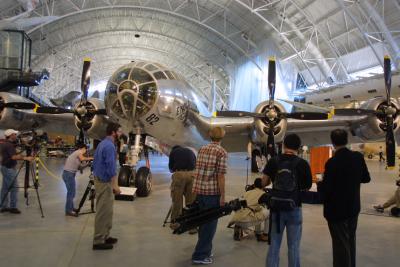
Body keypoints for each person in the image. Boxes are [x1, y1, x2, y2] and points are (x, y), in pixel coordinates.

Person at [318, 129, 371, 267]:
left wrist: (320, 184)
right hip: (353, 208)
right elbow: (366, 178)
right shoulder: (358, 157)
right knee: (350, 241)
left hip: (337, 212)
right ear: (347, 140)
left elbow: (327, 189)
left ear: (332, 142)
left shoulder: (332, 162)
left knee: (340, 246)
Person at [262, 133, 312, 267]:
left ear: (283, 145)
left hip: (276, 209)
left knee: (274, 245)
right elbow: (307, 186)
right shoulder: (303, 164)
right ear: (299, 147)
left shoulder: (274, 161)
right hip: (294, 208)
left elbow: (264, 182)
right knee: (294, 246)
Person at [191, 127, 227, 265]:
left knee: (202, 223)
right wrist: (222, 196)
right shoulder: (221, 152)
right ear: (222, 137)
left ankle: (205, 250)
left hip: (199, 190)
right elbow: (220, 176)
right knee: (209, 225)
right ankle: (200, 255)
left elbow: (198, 169)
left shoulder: (202, 149)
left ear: (210, 136)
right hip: (212, 193)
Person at [92, 123, 122, 250]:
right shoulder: (109, 146)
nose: (121, 133)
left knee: (108, 210)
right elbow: (111, 167)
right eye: (119, 131)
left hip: (101, 180)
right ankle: (98, 240)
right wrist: (115, 185)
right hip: (104, 182)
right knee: (103, 211)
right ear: (114, 132)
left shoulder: (103, 143)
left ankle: (105, 235)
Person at [0, 129, 34, 214]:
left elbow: (13, 154)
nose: (16, 136)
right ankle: (13, 207)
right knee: (14, 188)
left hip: (5, 166)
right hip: (8, 168)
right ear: (11, 135)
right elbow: (13, 157)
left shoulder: (6, 144)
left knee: (5, 188)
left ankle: (3, 206)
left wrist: (24, 151)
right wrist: (26, 158)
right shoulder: (9, 145)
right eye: (14, 134)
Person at [229, 178, 269, 242]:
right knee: (268, 212)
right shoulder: (263, 194)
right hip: (246, 220)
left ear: (254, 185)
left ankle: (240, 227)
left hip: (236, 218)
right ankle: (265, 235)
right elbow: (269, 205)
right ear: (264, 186)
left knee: (256, 209)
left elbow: (239, 203)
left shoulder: (247, 192)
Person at [168, 145, 196, 228]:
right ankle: (192, 225)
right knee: (191, 201)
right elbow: (195, 164)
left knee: (177, 199)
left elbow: (171, 168)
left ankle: (175, 223)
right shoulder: (190, 151)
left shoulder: (173, 152)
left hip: (179, 175)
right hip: (192, 175)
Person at [62, 143, 93, 217]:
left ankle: (71, 208)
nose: (85, 152)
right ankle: (68, 211)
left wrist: (87, 164)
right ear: (83, 148)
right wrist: (92, 158)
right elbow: (82, 158)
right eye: (85, 150)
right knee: (71, 193)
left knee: (71, 192)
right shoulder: (79, 152)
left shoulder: (76, 155)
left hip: (69, 174)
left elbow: (80, 168)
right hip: (68, 174)